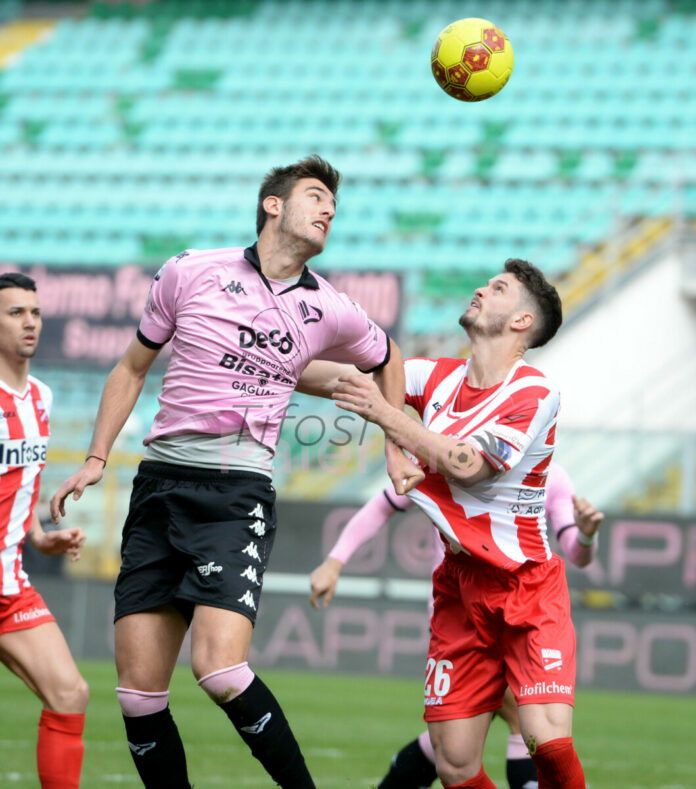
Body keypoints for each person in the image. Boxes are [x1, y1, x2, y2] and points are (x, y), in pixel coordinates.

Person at [49, 155, 421, 789]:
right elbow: (132, 368)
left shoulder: (328, 307)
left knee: (220, 671)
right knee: (138, 696)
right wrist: (94, 458)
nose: (329, 209)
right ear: (273, 204)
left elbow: (388, 357)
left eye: (334, 204)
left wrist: (395, 444)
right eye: (315, 196)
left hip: (235, 492)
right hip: (159, 483)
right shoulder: (190, 271)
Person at [329, 259, 588, 788]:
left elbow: (467, 465)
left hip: (525, 585)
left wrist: (387, 417)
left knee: (545, 738)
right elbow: (352, 379)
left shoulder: (534, 392)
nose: (480, 289)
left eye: (498, 288)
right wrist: (273, 360)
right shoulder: (436, 376)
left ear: (521, 321)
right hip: (458, 586)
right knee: (453, 762)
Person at [309, 462, 604, 789]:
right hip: (456, 617)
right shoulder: (448, 463)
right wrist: (334, 562)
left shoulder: (550, 474)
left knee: (461, 743)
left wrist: (587, 535)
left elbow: (577, 552)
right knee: (488, 734)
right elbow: (383, 504)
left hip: (518, 616)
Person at [0, 272, 89, 789]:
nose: (29, 321)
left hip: (10, 586)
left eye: (34, 312)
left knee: (70, 693)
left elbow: (18, 483)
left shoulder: (41, 397)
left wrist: (37, 535)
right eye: (15, 313)